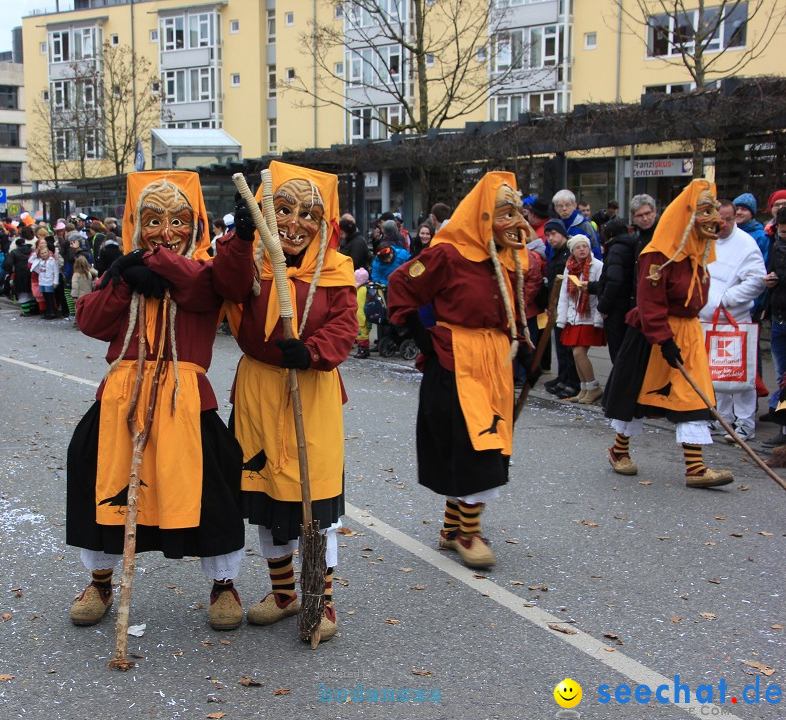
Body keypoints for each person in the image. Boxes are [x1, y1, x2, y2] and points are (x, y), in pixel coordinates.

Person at [67, 170, 250, 632]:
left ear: (196, 224)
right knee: (96, 474)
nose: (166, 233)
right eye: (153, 221)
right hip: (123, 396)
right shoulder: (125, 266)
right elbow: (89, 320)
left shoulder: (209, 269)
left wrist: (160, 265)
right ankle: (101, 579)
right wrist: (126, 277)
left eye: (178, 221)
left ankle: (223, 584)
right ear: (136, 223)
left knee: (217, 487)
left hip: (185, 397)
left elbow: (211, 289)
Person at [213, 161, 357, 642]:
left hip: (311, 392)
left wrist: (312, 352)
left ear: (324, 222)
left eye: (308, 214)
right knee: (268, 496)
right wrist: (241, 238)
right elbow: (227, 287)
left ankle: (322, 598)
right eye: (282, 210)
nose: (294, 223)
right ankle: (283, 593)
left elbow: (344, 327)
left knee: (314, 503)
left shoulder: (334, 270)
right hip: (258, 391)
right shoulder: (249, 259)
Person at [387, 171, 534, 569]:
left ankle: (454, 529)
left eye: (516, 212)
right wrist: (424, 339)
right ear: (483, 216)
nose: (514, 221)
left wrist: (526, 345)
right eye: (504, 213)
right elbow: (401, 285)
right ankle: (468, 533)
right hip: (457, 361)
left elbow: (516, 308)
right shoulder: (447, 254)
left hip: (495, 361)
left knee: (491, 441)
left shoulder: (509, 259)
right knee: (475, 447)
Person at [602, 179, 733, 489]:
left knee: (692, 395)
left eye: (713, 210)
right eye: (704, 211)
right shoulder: (658, 255)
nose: (713, 217)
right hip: (652, 334)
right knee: (637, 396)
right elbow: (649, 302)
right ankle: (618, 451)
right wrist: (664, 339)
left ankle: (695, 468)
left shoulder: (698, 254)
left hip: (688, 332)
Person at [697, 200, 765, 443]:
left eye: (728, 219)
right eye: (719, 219)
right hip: (707, 320)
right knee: (716, 372)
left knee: (740, 374)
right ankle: (721, 417)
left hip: (733, 318)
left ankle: (745, 423)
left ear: (735, 217)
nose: (723, 224)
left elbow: (757, 281)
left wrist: (725, 300)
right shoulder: (707, 239)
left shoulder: (746, 243)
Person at [556, 235, 605, 404]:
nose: (582, 249)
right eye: (578, 247)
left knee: (579, 352)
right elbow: (564, 294)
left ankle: (593, 387)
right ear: (573, 251)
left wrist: (599, 317)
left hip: (589, 315)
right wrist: (562, 318)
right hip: (574, 316)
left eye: (585, 246)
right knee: (575, 353)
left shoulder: (598, 266)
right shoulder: (569, 267)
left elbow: (601, 293)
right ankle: (584, 388)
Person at [543, 219, 579, 398]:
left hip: (565, 305)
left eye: (553, 234)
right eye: (548, 235)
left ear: (563, 234)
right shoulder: (556, 253)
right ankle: (563, 376)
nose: (550, 238)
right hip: (556, 304)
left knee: (566, 346)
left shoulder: (567, 254)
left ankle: (571, 380)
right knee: (560, 345)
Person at [595, 218, 639, 361]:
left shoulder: (615, 249)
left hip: (616, 308)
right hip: (630, 304)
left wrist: (603, 307)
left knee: (618, 352)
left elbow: (614, 279)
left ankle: (620, 382)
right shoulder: (633, 245)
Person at [762, 206, 786, 447]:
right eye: (781, 231)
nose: (784, 235)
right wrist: (770, 280)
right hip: (779, 316)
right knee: (782, 378)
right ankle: (784, 428)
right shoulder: (775, 244)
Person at [553, 189, 601, 258]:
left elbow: (596, 249)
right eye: (560, 206)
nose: (564, 209)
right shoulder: (555, 226)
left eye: (567, 205)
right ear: (555, 208)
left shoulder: (585, 225)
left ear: (575, 205)